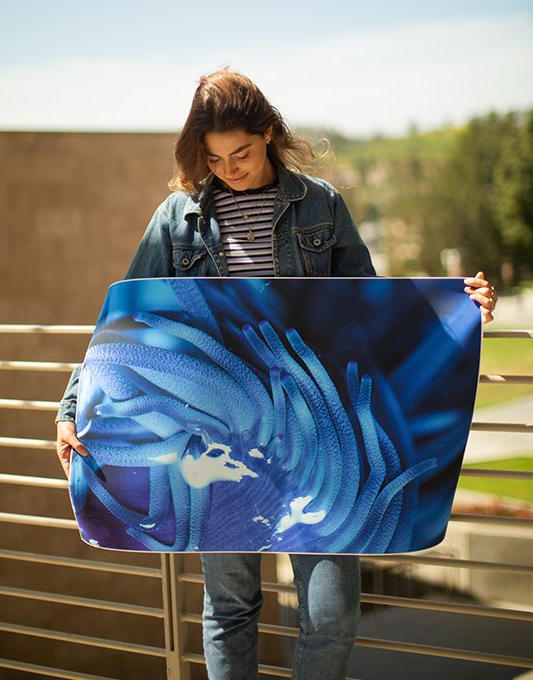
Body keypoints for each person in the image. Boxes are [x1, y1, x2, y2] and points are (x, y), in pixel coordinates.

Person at [55, 67, 498, 680]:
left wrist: (458, 305)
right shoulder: (176, 217)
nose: (229, 169)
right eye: (214, 158)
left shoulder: (321, 205)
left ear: (267, 133)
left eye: (240, 152)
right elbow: (126, 323)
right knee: (231, 605)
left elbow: (374, 306)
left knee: (334, 611)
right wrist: (73, 408)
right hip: (213, 433)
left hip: (321, 429)